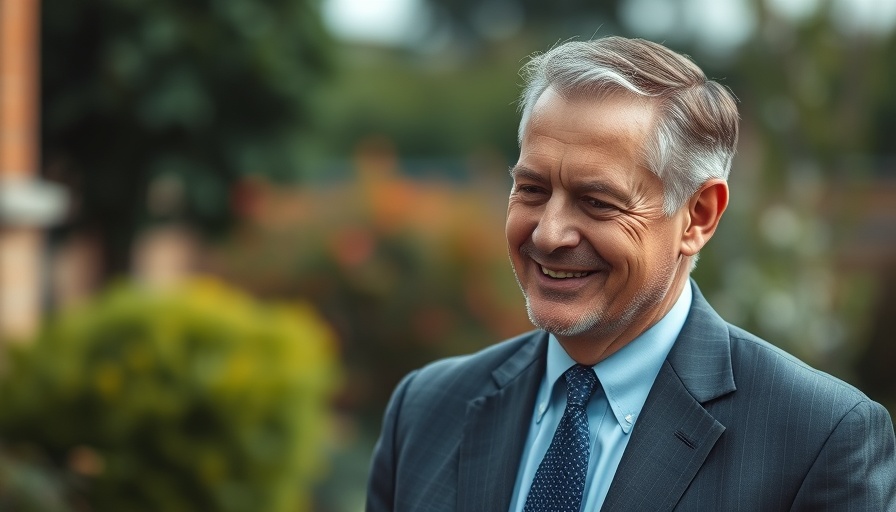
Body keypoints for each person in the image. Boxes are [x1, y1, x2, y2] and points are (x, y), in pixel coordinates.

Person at [366, 36, 896, 511]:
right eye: (531, 190)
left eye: (596, 202)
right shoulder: (427, 409)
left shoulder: (817, 442)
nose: (548, 234)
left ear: (698, 216)